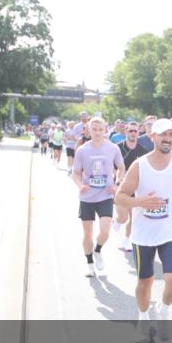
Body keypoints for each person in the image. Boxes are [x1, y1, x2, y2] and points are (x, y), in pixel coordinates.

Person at [115, 119, 172, 343]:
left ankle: (164, 309)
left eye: (171, 134)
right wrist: (142, 202)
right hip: (143, 234)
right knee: (145, 282)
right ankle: (143, 318)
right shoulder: (140, 165)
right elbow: (119, 197)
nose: (167, 138)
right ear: (152, 137)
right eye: (163, 134)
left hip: (170, 231)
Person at [72, 117, 126, 277]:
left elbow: (121, 168)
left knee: (105, 231)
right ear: (89, 130)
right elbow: (75, 173)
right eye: (94, 129)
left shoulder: (113, 148)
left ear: (105, 130)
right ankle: (89, 264)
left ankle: (98, 250)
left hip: (105, 196)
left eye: (100, 129)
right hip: (87, 198)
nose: (97, 132)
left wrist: (116, 184)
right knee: (87, 234)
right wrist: (80, 185)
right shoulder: (82, 150)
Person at [114, 121, 150, 252]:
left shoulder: (143, 151)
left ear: (139, 133)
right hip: (120, 187)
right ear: (126, 132)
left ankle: (127, 240)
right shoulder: (117, 148)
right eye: (131, 131)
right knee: (123, 218)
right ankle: (117, 221)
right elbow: (112, 168)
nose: (133, 133)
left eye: (135, 131)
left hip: (136, 187)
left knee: (133, 217)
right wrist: (117, 180)